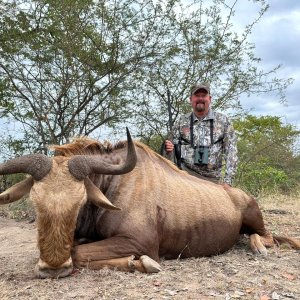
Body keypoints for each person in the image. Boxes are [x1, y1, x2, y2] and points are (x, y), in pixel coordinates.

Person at [165, 83, 238, 187]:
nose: (200, 98)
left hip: (212, 180)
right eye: (197, 96)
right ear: (191, 99)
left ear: (210, 98)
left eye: (203, 96)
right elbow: (171, 152)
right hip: (185, 178)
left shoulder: (223, 121)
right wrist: (168, 148)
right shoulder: (181, 121)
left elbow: (231, 152)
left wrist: (227, 181)